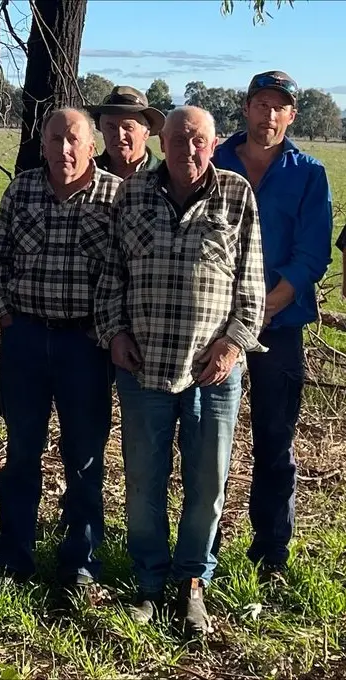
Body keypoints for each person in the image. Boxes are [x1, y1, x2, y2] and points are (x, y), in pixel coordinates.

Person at [95, 106, 265, 636]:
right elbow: (112, 275)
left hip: (213, 373)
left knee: (208, 483)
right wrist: (114, 332)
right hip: (144, 367)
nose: (188, 150)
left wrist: (233, 344)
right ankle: (149, 582)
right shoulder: (133, 195)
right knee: (144, 483)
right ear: (160, 142)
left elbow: (252, 284)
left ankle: (192, 582)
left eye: (198, 141)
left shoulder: (236, 194)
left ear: (213, 145)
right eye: (178, 140)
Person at [0, 108, 120, 592]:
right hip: (25, 340)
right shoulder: (22, 190)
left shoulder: (114, 196)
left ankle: (80, 564)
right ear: (42, 144)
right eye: (55, 139)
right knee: (21, 453)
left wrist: (102, 332)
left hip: (85, 345)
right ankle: (13, 559)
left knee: (84, 458)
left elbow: (122, 276)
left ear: (90, 146)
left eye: (74, 140)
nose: (64, 149)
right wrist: (6, 316)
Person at [212, 71, 333, 576]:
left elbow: (312, 256)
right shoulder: (215, 161)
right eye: (260, 103)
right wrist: (233, 318)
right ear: (246, 107)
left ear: (291, 115)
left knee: (274, 442)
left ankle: (271, 554)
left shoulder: (309, 173)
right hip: (214, 329)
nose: (268, 113)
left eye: (278, 106)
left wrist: (265, 309)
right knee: (207, 443)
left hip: (278, 330)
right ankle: (203, 550)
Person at [90, 86, 164, 179]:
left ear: (146, 133)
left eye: (128, 127)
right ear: (101, 129)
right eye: (111, 127)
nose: (120, 136)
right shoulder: (85, 173)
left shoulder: (166, 175)